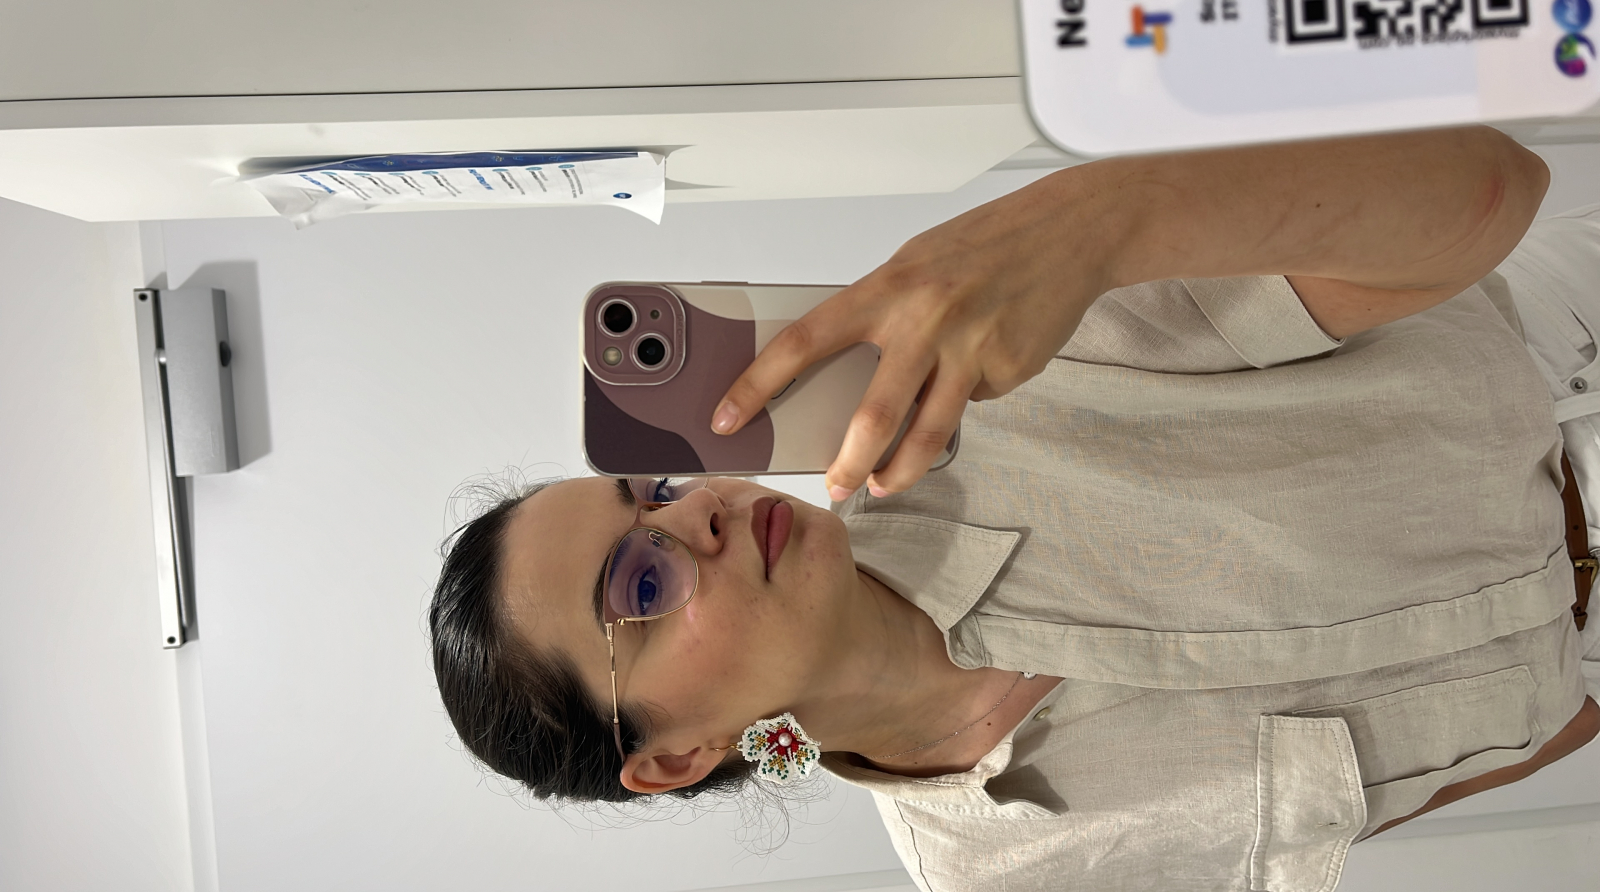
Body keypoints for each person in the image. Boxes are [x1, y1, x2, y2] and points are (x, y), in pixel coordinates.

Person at [429, 126, 1600, 891]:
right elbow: (1406, 786)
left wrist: (1096, 218)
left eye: (657, 491)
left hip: (1561, 360)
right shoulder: (1010, 869)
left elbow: (1494, 186)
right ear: (676, 756)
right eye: (642, 583)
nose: (701, 518)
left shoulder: (978, 383)